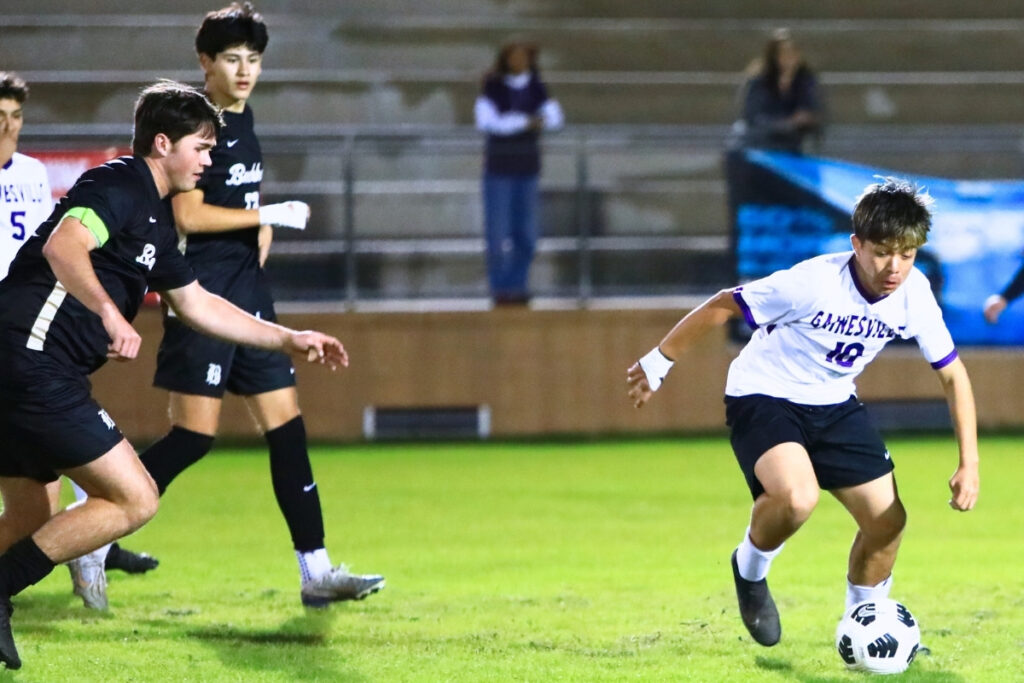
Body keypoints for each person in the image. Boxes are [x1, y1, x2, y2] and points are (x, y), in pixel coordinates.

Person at [0, 79, 350, 670]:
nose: (210, 160)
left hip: (26, 365)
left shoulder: (157, 223)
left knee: (30, 516)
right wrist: (110, 312)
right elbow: (65, 246)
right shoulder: (118, 183)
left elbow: (198, 304)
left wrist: (289, 338)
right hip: (32, 362)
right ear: (163, 143)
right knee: (135, 498)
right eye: (202, 148)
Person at [627, 178, 979, 647]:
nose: (894, 267)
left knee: (887, 522)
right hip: (764, 394)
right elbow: (723, 304)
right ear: (856, 245)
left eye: (907, 254)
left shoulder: (914, 293)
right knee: (797, 499)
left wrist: (969, 463)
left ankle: (864, 628)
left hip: (833, 402)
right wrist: (659, 361)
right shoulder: (812, 283)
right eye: (881, 252)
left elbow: (953, 375)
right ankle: (750, 568)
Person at [121, 2, 383, 610]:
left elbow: (242, 197)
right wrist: (267, 214)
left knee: (288, 430)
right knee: (193, 438)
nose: (244, 71)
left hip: (250, 295)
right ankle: (98, 523)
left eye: (254, 60)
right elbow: (188, 216)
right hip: (202, 296)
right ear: (204, 62)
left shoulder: (245, 117)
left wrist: (260, 226)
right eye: (232, 59)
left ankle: (316, 571)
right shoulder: (194, 124)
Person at [1, 72, 158, 603]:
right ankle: (91, 547)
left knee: (31, 512)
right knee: (122, 491)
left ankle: (92, 545)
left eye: (16, 116)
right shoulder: (121, 187)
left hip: (33, 334)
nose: (8, 126)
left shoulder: (32, 173)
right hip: (17, 339)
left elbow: (48, 244)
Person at [474, 40, 564, 305]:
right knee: (498, 234)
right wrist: (525, 122)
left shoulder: (537, 87)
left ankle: (518, 285)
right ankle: (500, 288)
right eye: (514, 56)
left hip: (527, 169)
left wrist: (532, 122)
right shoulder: (493, 87)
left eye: (523, 56)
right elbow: (487, 122)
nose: (519, 61)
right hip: (499, 170)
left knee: (526, 235)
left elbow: (555, 118)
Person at [731, 28, 823, 153]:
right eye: (784, 54)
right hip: (761, 144)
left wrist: (807, 119)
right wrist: (788, 123)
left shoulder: (806, 81)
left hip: (792, 145)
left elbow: (814, 111)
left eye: (793, 53)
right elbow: (754, 118)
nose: (789, 59)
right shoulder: (759, 81)